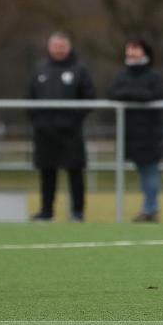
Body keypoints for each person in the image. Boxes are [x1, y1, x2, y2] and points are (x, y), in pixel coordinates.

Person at [28, 32, 95, 222]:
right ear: (50, 47)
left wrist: (74, 120)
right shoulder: (40, 69)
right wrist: (39, 121)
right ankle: (46, 211)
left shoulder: (80, 69)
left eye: (62, 46)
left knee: (75, 171)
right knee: (47, 171)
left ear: (69, 47)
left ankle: (77, 212)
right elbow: (29, 97)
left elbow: (89, 97)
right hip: (44, 132)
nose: (59, 49)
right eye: (55, 46)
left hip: (71, 132)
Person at [109, 39, 163, 223]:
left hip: (149, 134)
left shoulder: (153, 76)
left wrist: (131, 94)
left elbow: (154, 94)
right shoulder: (122, 75)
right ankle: (148, 209)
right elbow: (113, 93)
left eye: (135, 49)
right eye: (129, 49)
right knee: (143, 172)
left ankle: (150, 209)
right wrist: (133, 94)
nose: (131, 52)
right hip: (129, 133)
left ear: (144, 52)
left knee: (150, 171)